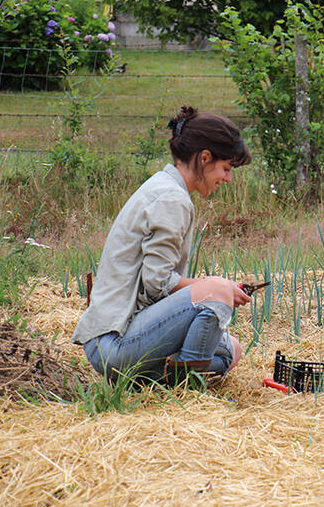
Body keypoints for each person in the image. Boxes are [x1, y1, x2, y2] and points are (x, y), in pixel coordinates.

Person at [72, 106, 253, 384]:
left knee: (232, 350)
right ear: (205, 158)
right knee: (216, 293)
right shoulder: (171, 199)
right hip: (115, 343)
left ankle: (152, 377)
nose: (228, 178)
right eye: (226, 168)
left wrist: (212, 288)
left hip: (118, 340)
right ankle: (186, 385)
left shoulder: (166, 187)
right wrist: (214, 287)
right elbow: (157, 283)